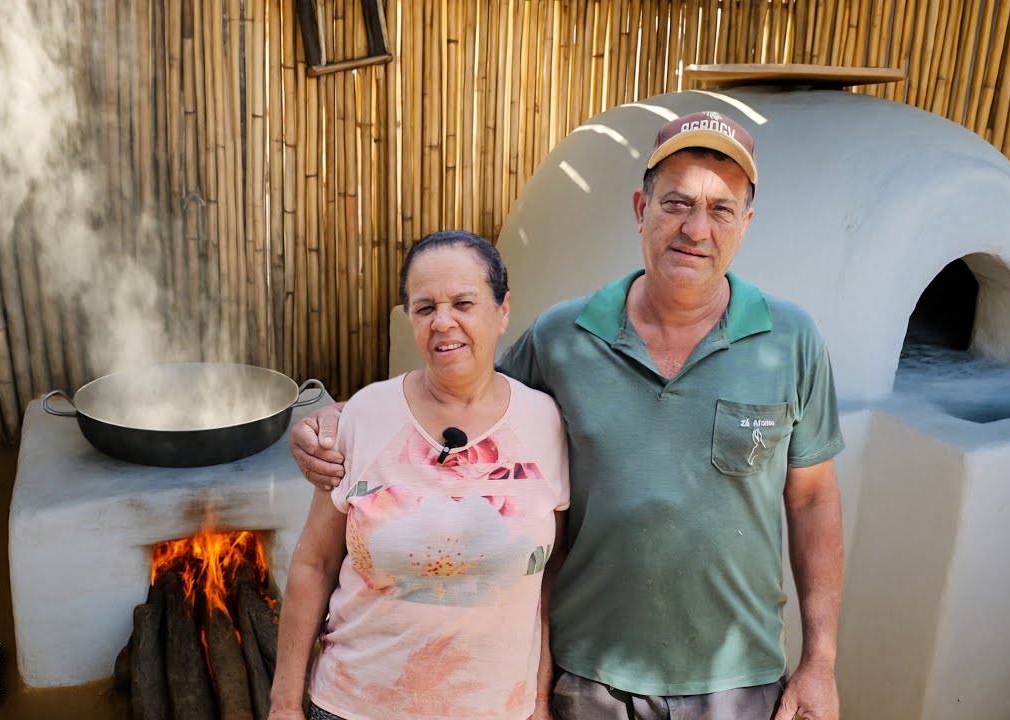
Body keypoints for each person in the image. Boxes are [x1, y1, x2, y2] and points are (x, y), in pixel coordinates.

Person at [290, 112, 844, 720]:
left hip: (737, 677)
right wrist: (338, 419)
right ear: (641, 207)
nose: (695, 228)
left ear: (746, 223)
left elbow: (813, 500)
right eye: (677, 203)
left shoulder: (789, 341)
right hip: (588, 679)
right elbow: (464, 392)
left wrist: (820, 660)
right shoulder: (564, 337)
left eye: (721, 209)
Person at [268, 230, 569, 720]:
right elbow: (313, 564)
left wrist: (538, 700)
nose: (443, 322)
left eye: (463, 303)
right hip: (353, 706)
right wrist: (284, 705)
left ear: (503, 310)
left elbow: (550, 573)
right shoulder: (364, 416)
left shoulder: (545, 423)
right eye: (424, 307)